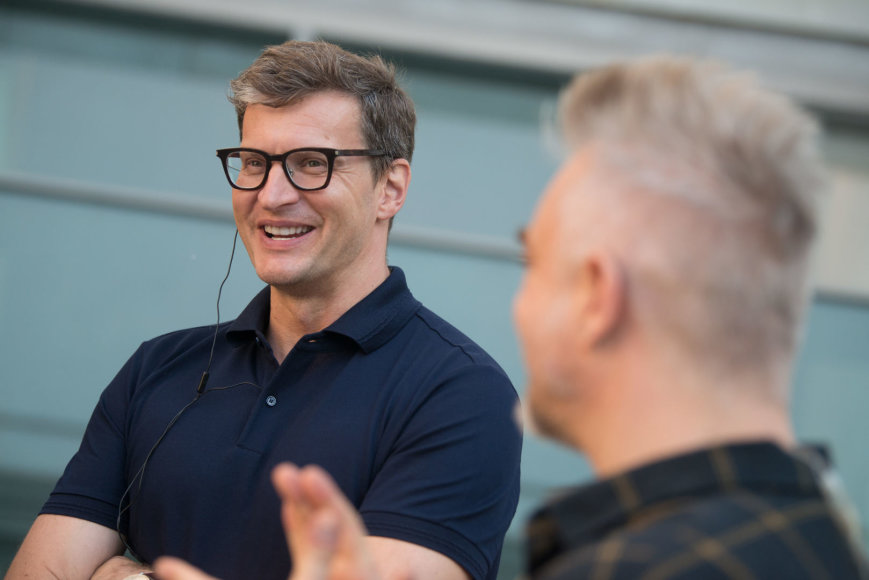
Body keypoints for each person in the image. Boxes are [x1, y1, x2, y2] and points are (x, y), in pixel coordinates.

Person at [154, 54, 867, 580]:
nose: (518, 306)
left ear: (597, 297)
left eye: (533, 264)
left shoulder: (631, 569)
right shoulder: (818, 543)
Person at [5, 40, 522, 580]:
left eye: (310, 164)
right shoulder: (155, 369)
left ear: (389, 188)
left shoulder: (461, 394)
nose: (272, 195)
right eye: (254, 162)